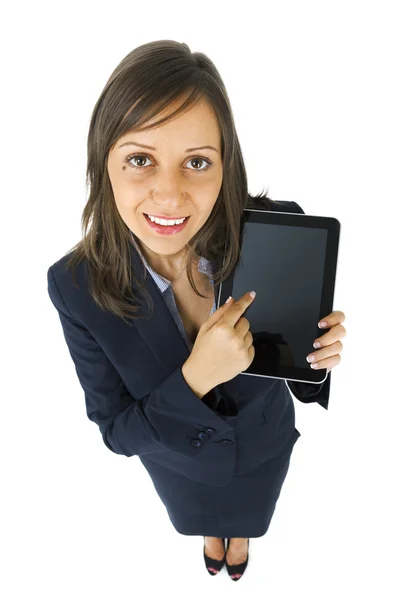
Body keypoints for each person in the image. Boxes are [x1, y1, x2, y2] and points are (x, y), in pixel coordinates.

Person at [47, 40, 345, 581]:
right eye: (140, 159)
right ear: (102, 163)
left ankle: (242, 539)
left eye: (197, 162)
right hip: (179, 466)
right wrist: (194, 379)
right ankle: (211, 533)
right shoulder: (75, 285)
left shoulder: (279, 228)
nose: (169, 195)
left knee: (250, 516)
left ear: (224, 165)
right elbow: (116, 430)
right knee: (202, 516)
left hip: (262, 447)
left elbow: (300, 374)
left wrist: (317, 357)